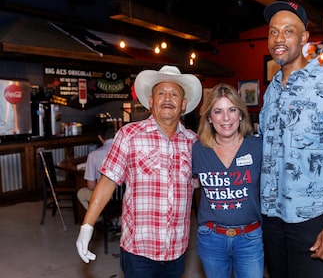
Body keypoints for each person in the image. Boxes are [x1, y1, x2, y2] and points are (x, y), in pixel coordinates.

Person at [259, 1, 323, 278]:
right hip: (271, 216)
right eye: (273, 32)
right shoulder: (270, 91)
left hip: (312, 219)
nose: (279, 39)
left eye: (288, 31)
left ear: (304, 38)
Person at [75, 65, 202, 278]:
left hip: (177, 248)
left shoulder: (193, 141)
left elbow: (200, 181)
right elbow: (107, 182)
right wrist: (87, 226)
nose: (167, 98)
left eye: (174, 94)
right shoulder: (129, 135)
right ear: (151, 102)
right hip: (139, 249)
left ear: (183, 104)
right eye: (161, 93)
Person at [192, 83, 264, 278]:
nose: (226, 118)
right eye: (218, 111)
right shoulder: (198, 150)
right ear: (209, 117)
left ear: (240, 114)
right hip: (211, 238)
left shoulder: (258, 147)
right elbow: (186, 182)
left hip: (250, 238)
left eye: (232, 110)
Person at [77, 123, 115, 210]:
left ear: (100, 137)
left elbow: (91, 186)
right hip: (123, 197)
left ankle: (98, 217)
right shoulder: (125, 150)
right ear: (115, 134)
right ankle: (115, 217)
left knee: (81, 193)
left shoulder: (93, 155)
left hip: (104, 197)